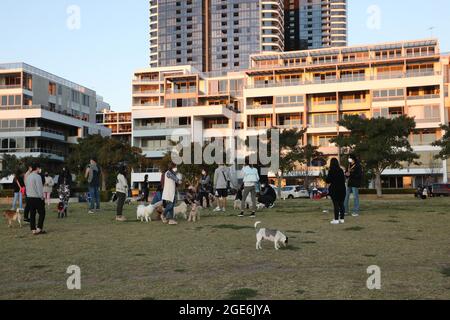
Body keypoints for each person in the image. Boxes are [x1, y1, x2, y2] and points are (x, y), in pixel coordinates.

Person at [26, 163, 46, 235]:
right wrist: (42, 197)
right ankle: (39, 229)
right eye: (39, 168)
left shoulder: (28, 177)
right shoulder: (38, 177)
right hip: (37, 198)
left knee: (32, 214)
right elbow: (39, 188)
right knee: (42, 213)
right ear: (37, 168)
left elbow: (26, 186)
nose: (39, 170)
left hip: (29, 197)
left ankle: (33, 230)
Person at [326, 158, 347, 225]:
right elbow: (344, 180)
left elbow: (328, 180)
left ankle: (336, 219)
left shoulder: (331, 171)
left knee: (336, 204)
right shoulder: (341, 170)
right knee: (341, 204)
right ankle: (342, 219)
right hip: (342, 189)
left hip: (334, 190)